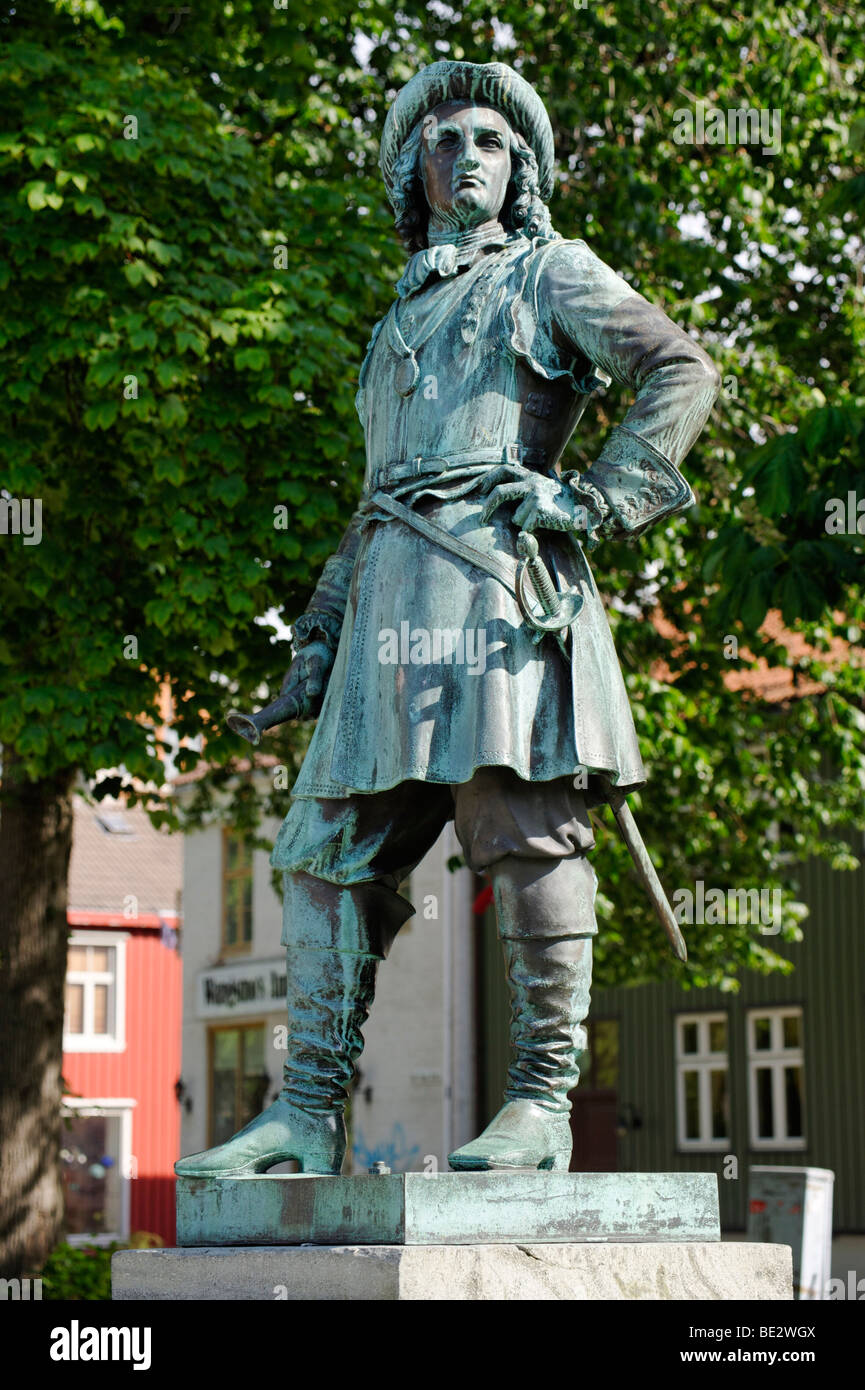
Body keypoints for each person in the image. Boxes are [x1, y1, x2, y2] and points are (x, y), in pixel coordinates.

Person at [175, 60, 719, 1179]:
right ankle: (307, 1109)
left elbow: (679, 368)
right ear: (410, 173)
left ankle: (538, 1103)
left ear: (518, 170)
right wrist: (316, 643)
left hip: (498, 597)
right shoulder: (391, 327)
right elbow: (372, 502)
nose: (462, 158)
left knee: (521, 834)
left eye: (487, 142)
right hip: (385, 609)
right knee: (319, 856)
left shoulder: (548, 273)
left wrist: (598, 495)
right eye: (440, 142)